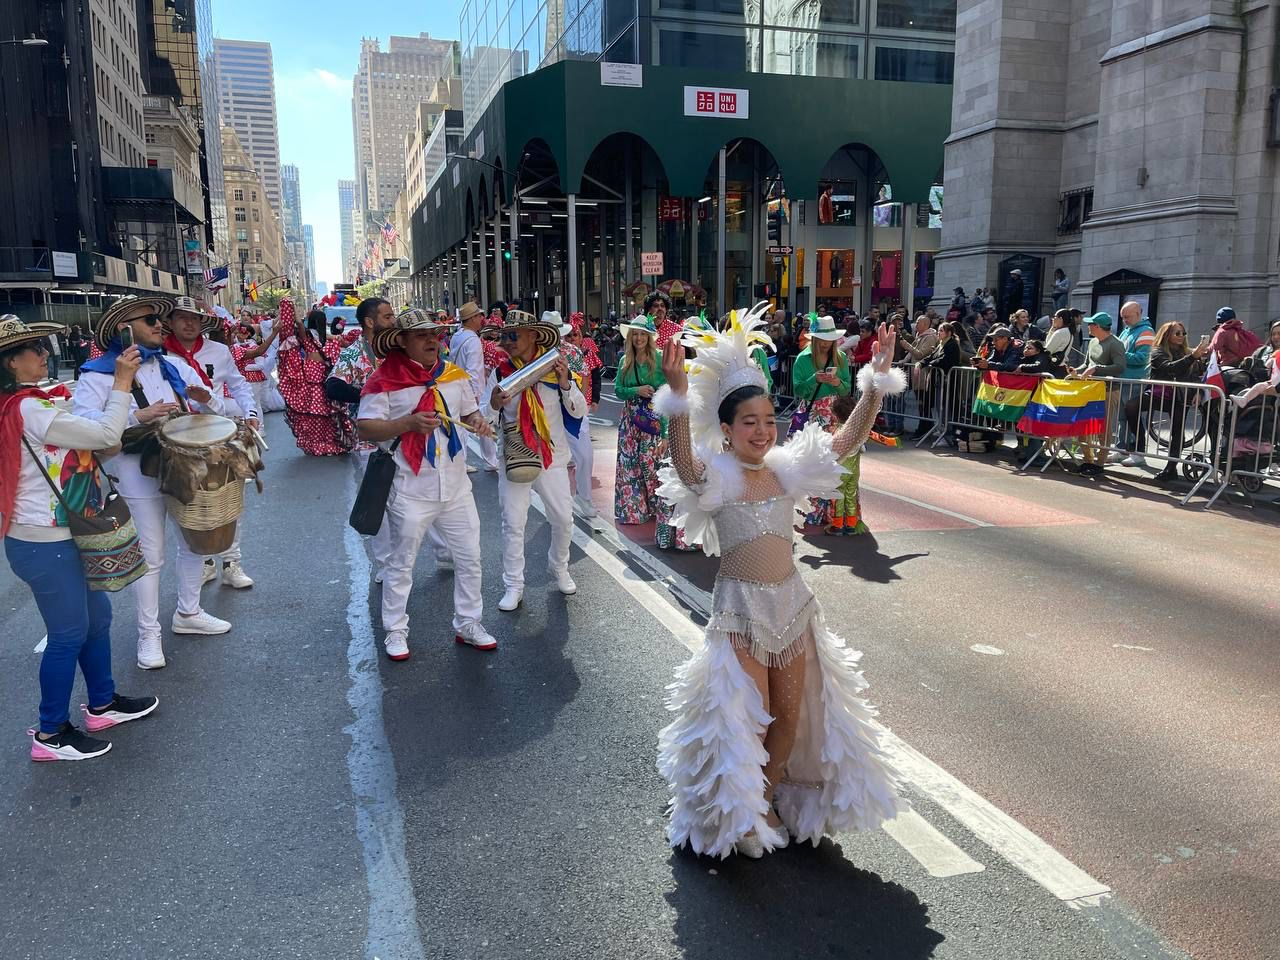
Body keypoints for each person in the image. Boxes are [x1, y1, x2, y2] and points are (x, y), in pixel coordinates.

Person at [652, 305, 907, 859]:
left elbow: (845, 442)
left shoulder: (786, 467)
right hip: (740, 613)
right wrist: (676, 398)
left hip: (793, 609)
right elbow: (684, 463)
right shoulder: (714, 476)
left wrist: (875, 385)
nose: (763, 431)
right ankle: (741, 813)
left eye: (769, 421)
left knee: (790, 716)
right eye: (750, 422)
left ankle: (767, 799)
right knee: (749, 716)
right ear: (726, 429)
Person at [0, 317, 159, 760]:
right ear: (11, 363)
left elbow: (98, 445)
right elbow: (109, 434)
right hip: (42, 541)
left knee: (98, 620)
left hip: (66, 532)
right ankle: (50, 734)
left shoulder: (40, 401)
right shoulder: (29, 408)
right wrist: (122, 380)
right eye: (34, 348)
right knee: (68, 633)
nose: (45, 353)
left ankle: (103, 704)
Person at [73, 296, 231, 669]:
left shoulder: (173, 366)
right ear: (122, 330)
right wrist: (137, 415)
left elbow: (221, 411)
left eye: (160, 319)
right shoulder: (96, 374)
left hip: (184, 467)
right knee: (152, 556)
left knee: (196, 541)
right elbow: (86, 428)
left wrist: (207, 400)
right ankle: (149, 635)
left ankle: (188, 613)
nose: (161, 324)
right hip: (134, 473)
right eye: (149, 320)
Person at [357, 310, 498, 660]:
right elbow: (366, 428)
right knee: (401, 564)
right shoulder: (383, 380)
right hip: (409, 487)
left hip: (455, 487)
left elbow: (468, 412)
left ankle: (469, 623)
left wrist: (478, 421)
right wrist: (407, 423)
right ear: (402, 341)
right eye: (421, 335)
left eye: (434, 333)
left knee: (470, 558)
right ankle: (395, 629)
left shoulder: (452, 375)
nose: (432, 340)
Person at [486, 310, 587, 612]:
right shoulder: (501, 373)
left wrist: (566, 382)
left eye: (514, 335)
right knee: (513, 523)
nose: (508, 341)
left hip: (552, 457)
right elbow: (485, 415)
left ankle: (559, 567)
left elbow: (579, 411)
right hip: (515, 456)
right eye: (506, 335)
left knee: (563, 520)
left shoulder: (555, 368)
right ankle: (513, 585)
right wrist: (493, 404)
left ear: (533, 335)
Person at [161, 296, 260, 590]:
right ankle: (202, 562)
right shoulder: (161, 356)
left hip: (219, 432)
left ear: (203, 322)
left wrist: (251, 412)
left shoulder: (219, 351)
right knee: (189, 502)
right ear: (171, 322)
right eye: (182, 318)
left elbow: (239, 384)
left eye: (194, 318)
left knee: (230, 497)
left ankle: (232, 562)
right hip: (179, 439)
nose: (189, 323)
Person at [1120, 321, 1210, 481]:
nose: (1181, 336)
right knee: (1132, 406)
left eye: (1183, 333)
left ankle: (1171, 467)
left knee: (1177, 429)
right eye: (1177, 333)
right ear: (1167, 335)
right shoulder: (1158, 351)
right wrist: (1192, 356)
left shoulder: (1188, 353)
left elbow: (1195, 375)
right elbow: (1169, 368)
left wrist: (1198, 392)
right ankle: (1139, 448)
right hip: (1159, 393)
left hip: (1181, 396)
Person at [790, 315, 851, 526]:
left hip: (834, 414)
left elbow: (846, 389)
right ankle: (811, 510)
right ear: (814, 339)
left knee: (835, 461)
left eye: (830, 339)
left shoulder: (841, 357)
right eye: (823, 339)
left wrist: (837, 381)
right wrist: (813, 379)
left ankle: (834, 511)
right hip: (812, 414)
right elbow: (798, 389)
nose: (826, 343)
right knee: (811, 462)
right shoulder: (802, 359)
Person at [277, 301, 353, 456]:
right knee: (328, 413)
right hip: (326, 377)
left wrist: (292, 310)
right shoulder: (330, 340)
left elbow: (298, 326)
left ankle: (316, 444)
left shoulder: (309, 337)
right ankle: (331, 443)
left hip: (310, 378)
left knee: (312, 413)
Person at [613, 313, 666, 524]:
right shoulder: (625, 360)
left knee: (651, 463)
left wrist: (666, 432)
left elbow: (667, 393)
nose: (638, 338)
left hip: (653, 417)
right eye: (635, 334)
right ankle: (633, 511)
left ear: (649, 337)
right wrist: (637, 390)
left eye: (642, 334)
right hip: (630, 419)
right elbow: (618, 390)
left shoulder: (660, 358)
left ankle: (657, 507)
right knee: (629, 464)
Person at [1071, 312, 1127, 476]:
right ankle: (1088, 460)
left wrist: (1097, 369)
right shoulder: (1093, 342)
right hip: (1091, 390)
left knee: (1104, 427)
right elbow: (1088, 364)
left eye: (1090, 324)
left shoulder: (1116, 344)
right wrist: (1077, 371)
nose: (1088, 326)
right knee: (1085, 425)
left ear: (1097, 327)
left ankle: (1099, 463)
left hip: (1109, 390)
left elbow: (1120, 366)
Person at [558, 313, 598, 518]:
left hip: (573, 407)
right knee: (552, 462)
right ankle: (555, 503)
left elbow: (584, 375)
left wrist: (581, 401)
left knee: (585, 455)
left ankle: (584, 497)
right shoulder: (535, 353)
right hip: (548, 411)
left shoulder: (573, 352)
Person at [446, 302, 490, 473]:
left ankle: (465, 460)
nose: (481, 319)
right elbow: (474, 370)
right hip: (470, 387)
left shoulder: (458, 336)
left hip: (457, 383)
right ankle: (487, 460)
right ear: (472, 319)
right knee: (478, 423)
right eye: (479, 316)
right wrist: (476, 394)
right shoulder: (472, 340)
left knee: (461, 426)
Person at [826, 394, 869, 536]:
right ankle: (851, 524)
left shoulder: (836, 431)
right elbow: (862, 449)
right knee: (851, 494)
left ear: (836, 415)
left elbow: (831, 449)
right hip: (855, 470)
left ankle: (837, 525)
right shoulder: (857, 432)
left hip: (840, 470)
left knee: (839, 496)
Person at [902, 314, 939, 439]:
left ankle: (924, 429)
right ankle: (924, 427)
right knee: (921, 404)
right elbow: (912, 353)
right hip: (917, 376)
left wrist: (906, 345)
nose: (916, 324)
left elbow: (920, 354)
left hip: (925, 377)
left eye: (918, 322)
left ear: (925, 324)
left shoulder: (930, 338)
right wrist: (903, 360)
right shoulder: (919, 336)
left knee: (925, 404)